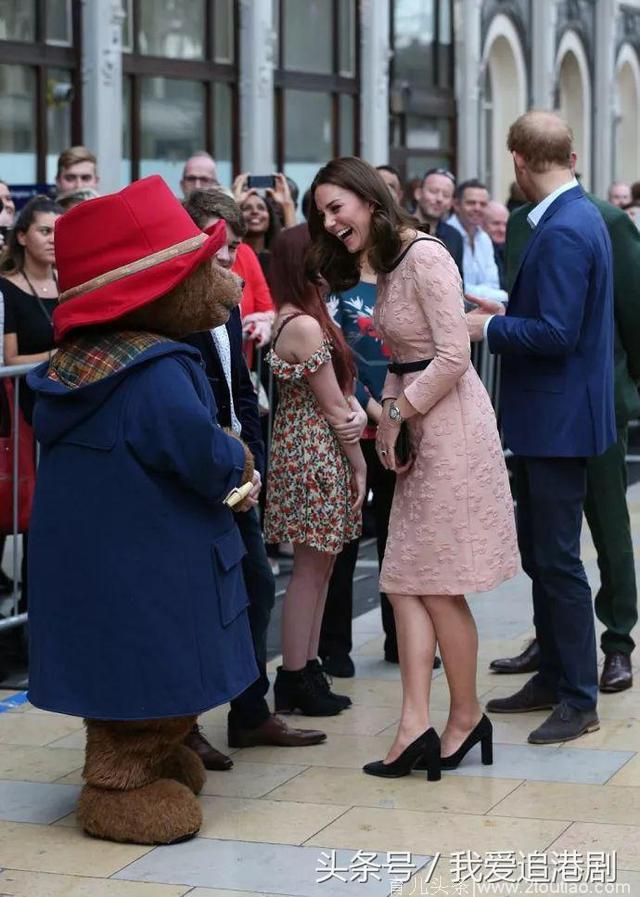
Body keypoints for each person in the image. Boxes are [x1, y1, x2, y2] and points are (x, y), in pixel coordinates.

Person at [26, 175, 258, 844]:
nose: (225, 284)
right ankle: (116, 787)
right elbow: (199, 451)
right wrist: (238, 460)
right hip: (150, 565)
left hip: (110, 562)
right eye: (202, 269)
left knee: (128, 673)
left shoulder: (82, 366)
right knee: (150, 667)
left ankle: (152, 755)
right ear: (155, 288)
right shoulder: (155, 372)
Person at [309, 157, 518, 779]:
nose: (328, 221)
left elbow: (455, 355)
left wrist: (396, 413)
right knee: (402, 577)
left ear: (369, 201)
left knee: (433, 580)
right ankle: (415, 724)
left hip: (447, 425)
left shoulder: (425, 256)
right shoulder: (389, 259)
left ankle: (463, 717)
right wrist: (395, 414)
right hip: (418, 417)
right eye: (321, 212)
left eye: (335, 207)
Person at [466, 111, 616, 744]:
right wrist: (506, 310)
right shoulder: (577, 216)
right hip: (554, 416)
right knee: (543, 553)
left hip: (556, 421)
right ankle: (554, 676)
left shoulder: (562, 230)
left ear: (520, 161)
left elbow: (557, 333)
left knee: (555, 560)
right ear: (571, 156)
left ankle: (578, 697)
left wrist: (489, 329)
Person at [181, 189, 326, 760]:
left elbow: (241, 387)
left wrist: (255, 459)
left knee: (256, 588)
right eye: (219, 246)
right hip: (197, 472)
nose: (227, 258)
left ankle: (249, 712)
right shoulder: (174, 305)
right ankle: (181, 728)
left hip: (239, 473)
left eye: (235, 247)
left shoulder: (229, 297)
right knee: (195, 601)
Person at [490, 176, 640, 695]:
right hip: (540, 405)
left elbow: (631, 313)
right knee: (546, 537)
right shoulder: (517, 222)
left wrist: (627, 391)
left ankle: (618, 641)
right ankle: (551, 642)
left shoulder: (606, 219)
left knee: (607, 521)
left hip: (596, 398)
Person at [265, 223, 367, 716]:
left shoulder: (304, 316)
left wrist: (358, 413)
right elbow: (334, 408)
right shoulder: (303, 323)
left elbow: (342, 401)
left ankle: (306, 671)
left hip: (311, 447)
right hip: (313, 452)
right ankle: (295, 674)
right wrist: (361, 463)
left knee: (319, 568)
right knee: (310, 570)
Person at [449, 179, 507, 302]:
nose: (477, 208)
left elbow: (493, 284)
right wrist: (500, 295)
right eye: (471, 203)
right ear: (456, 205)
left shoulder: (484, 238)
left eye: (483, 204)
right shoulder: (446, 236)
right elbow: (455, 288)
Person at [412, 168, 463, 277]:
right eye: (433, 191)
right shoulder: (399, 228)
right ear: (418, 193)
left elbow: (459, 282)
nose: (439, 199)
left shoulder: (454, 236)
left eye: (446, 195)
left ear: (451, 203)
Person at [483, 200, 509, 291]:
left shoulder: (509, 249)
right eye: (496, 223)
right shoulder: (477, 247)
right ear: (482, 223)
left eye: (505, 224)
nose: (502, 229)